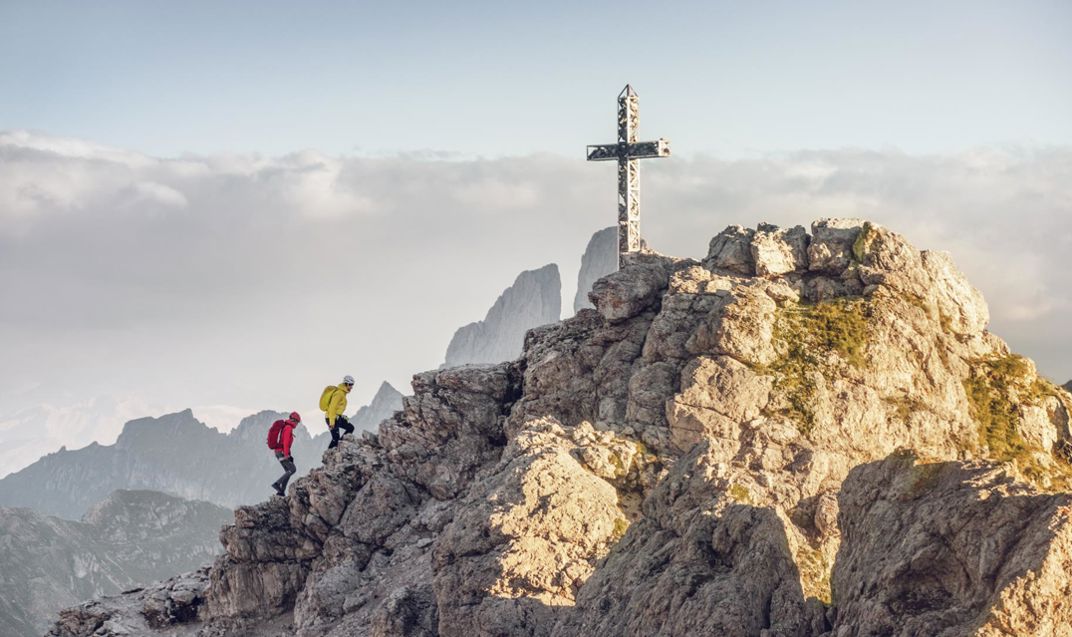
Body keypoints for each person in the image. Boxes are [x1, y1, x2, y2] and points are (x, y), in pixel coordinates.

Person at [268, 412, 301, 497]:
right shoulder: (288, 428)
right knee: (293, 469)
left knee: (288, 471)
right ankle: (277, 484)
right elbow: (285, 442)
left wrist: (289, 455)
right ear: (294, 420)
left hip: (279, 452)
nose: (297, 424)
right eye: (297, 422)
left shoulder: (286, 427)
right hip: (281, 452)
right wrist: (286, 454)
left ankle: (281, 492)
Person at [323, 375, 355, 449]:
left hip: (337, 417)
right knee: (335, 438)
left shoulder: (343, 394)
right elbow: (332, 408)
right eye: (350, 385)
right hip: (331, 418)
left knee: (350, 428)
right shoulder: (339, 393)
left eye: (352, 385)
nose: (351, 387)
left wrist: (342, 416)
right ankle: (329, 453)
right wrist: (331, 423)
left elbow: (338, 409)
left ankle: (340, 445)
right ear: (346, 384)